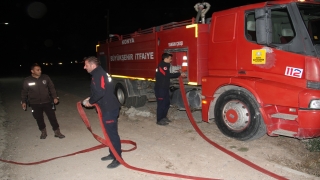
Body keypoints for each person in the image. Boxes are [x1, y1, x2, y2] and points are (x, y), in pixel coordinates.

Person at [82, 56, 122, 169]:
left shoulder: (97, 74)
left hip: (109, 109)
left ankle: (118, 158)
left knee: (112, 134)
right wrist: (91, 98)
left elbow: (100, 92)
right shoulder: (100, 73)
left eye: (86, 65)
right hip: (108, 106)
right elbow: (103, 90)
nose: (84, 67)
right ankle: (112, 153)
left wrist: (90, 101)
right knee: (109, 133)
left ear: (93, 65)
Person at [21, 63, 65, 139]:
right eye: (37, 70)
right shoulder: (27, 80)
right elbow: (24, 92)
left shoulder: (45, 77)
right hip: (34, 103)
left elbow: (51, 88)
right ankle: (43, 132)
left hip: (47, 101)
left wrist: (55, 97)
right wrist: (23, 101)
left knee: (52, 117)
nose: (40, 71)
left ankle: (57, 132)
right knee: (39, 118)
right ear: (32, 71)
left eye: (40, 69)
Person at [154, 53, 186, 126]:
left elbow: (167, 74)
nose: (171, 60)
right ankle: (159, 120)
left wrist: (178, 72)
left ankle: (164, 117)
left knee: (167, 103)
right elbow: (167, 75)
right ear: (166, 58)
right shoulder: (162, 65)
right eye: (170, 58)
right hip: (160, 88)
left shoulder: (166, 65)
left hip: (165, 88)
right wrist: (179, 74)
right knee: (161, 104)